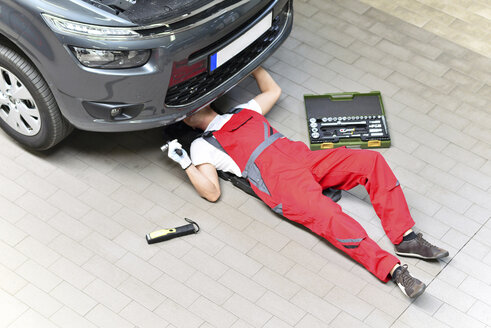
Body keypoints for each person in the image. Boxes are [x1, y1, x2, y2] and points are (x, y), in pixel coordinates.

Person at [167, 67, 449, 298]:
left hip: (303, 157)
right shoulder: (202, 147)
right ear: (189, 124)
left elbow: (272, 91)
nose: (195, 105)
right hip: (280, 184)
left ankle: (405, 237)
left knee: (369, 161)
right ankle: (394, 271)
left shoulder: (243, 111)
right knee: (332, 219)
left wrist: (249, 63)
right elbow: (212, 192)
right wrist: (185, 163)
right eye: (187, 110)